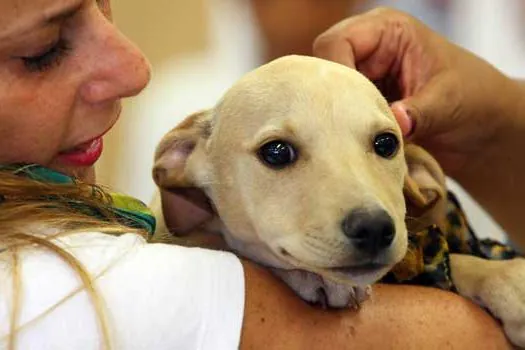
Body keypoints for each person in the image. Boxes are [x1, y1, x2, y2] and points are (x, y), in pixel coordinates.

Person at [0, 1, 513, 349]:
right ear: (183, 167)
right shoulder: (54, 287)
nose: (135, 70)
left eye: (382, 144)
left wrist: (472, 271)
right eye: (42, 48)